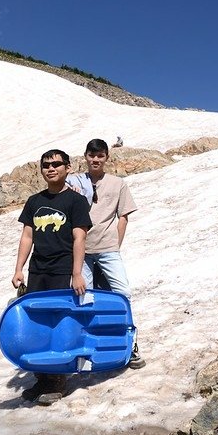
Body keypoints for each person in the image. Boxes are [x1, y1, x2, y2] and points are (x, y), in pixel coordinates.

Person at [11, 149, 92, 405]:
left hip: (62, 270)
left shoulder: (76, 201)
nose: (51, 168)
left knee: (60, 324)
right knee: (38, 324)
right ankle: (42, 378)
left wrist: (76, 273)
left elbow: (80, 237)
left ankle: (58, 381)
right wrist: (18, 269)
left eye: (57, 164)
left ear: (68, 167)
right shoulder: (34, 201)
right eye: (46, 165)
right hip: (38, 270)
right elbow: (27, 236)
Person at [66, 139, 145, 369]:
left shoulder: (117, 183)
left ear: (106, 157)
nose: (96, 160)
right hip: (82, 250)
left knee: (122, 294)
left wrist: (115, 243)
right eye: (92, 155)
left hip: (108, 249)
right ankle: (89, 348)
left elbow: (123, 216)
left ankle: (130, 346)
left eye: (100, 156)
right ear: (86, 157)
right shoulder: (75, 182)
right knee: (84, 298)